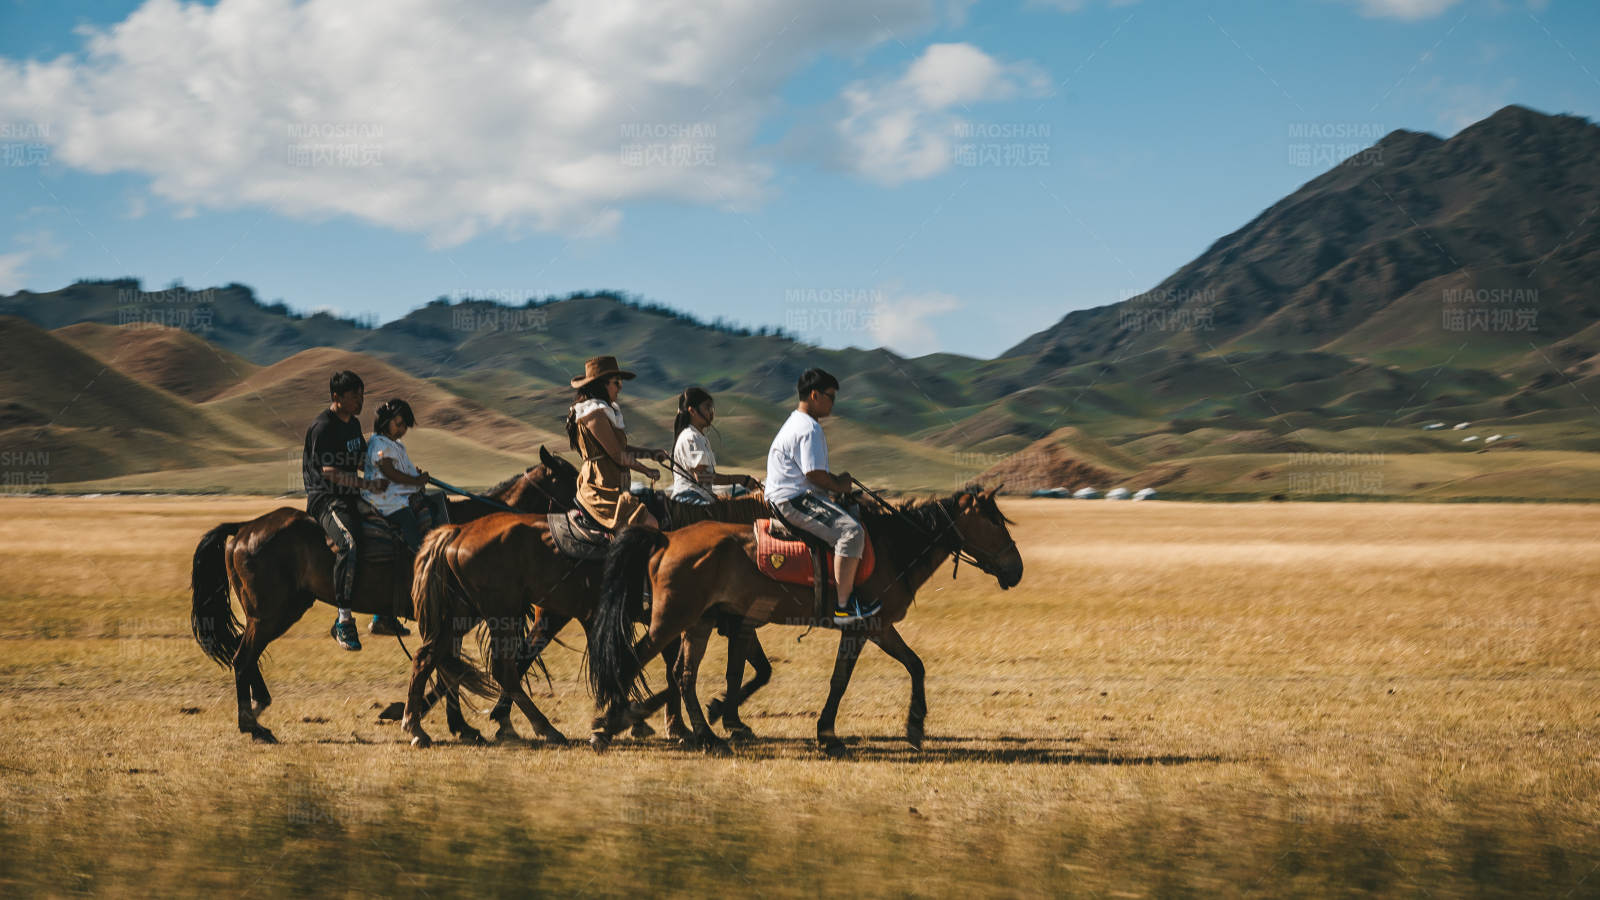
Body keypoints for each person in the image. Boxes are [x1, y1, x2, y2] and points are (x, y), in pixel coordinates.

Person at [765, 368, 879, 626]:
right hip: (793, 499)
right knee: (851, 532)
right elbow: (815, 474)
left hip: (788, 495)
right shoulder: (809, 428)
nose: (833, 403)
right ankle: (843, 608)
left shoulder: (796, 422)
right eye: (831, 397)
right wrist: (840, 484)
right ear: (815, 395)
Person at [303, 369, 387, 651]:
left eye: (362, 395)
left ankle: (383, 612)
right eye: (354, 396)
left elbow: (361, 458)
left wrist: (394, 471)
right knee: (349, 544)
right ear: (336, 397)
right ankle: (343, 620)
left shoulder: (352, 424)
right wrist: (367, 484)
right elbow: (330, 472)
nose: (360, 400)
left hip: (352, 496)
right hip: (326, 499)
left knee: (391, 532)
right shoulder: (323, 427)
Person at [564, 355, 670, 531]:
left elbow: (621, 448)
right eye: (617, 383)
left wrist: (651, 453)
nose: (620, 388)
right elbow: (618, 455)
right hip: (600, 488)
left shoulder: (603, 412)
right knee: (650, 524)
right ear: (602, 384)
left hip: (615, 486)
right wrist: (646, 470)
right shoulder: (593, 414)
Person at [361, 398, 434, 637]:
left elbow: (400, 469)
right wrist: (415, 481)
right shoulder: (381, 443)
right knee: (412, 532)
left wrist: (416, 476)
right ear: (385, 421)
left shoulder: (395, 443)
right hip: (388, 501)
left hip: (400, 495)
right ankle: (422, 567)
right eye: (399, 423)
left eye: (405, 425)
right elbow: (389, 471)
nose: (402, 429)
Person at [669, 387, 760, 505]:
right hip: (689, 497)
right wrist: (740, 479)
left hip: (698, 495)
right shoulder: (691, 437)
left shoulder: (699, 437)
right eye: (707, 407)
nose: (711, 412)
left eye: (712, 408)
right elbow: (702, 477)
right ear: (692, 411)